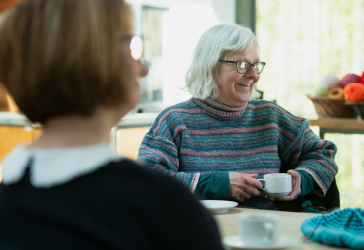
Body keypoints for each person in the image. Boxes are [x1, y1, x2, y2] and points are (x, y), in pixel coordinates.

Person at [0, 0, 224, 249]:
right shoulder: (163, 206)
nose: (143, 68)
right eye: (131, 46)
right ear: (95, 58)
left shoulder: (9, 200)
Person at [138, 24, 339, 210]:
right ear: (211, 66)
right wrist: (218, 184)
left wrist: (302, 179)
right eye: (242, 65)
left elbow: (323, 154)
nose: (254, 75)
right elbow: (146, 180)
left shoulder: (271, 117)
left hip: (267, 237)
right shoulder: (174, 120)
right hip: (197, 234)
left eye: (256, 64)